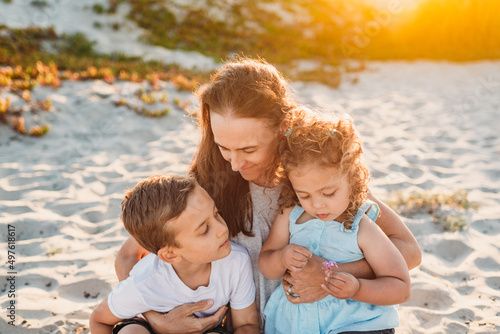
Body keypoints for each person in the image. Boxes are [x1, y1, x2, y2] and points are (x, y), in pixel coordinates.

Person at [114, 56, 421, 334]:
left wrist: (328, 276)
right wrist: (153, 317)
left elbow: (407, 250)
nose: (235, 164)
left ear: (282, 127)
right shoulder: (206, 185)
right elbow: (131, 255)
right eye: (224, 147)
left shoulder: (315, 180)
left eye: (249, 149)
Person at [259, 111, 411, 334]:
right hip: (296, 325)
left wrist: (358, 288)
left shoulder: (362, 226)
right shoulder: (290, 216)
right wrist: (281, 257)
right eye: (305, 195)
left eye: (328, 193)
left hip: (355, 324)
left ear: (352, 178)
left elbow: (400, 287)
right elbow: (266, 264)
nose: (317, 205)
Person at [90, 175, 259, 334]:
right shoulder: (144, 282)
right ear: (170, 255)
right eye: (205, 229)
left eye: (216, 213)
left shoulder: (236, 262)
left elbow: (246, 324)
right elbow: (99, 320)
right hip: (147, 327)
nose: (222, 229)